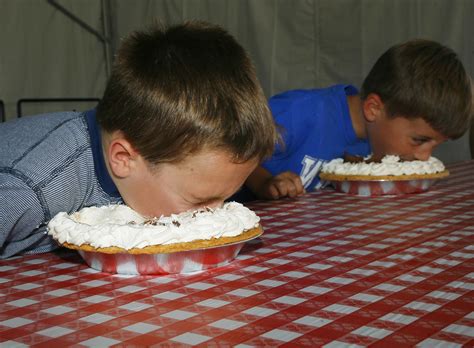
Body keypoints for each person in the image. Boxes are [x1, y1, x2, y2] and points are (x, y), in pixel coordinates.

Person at [0, 21, 278, 258]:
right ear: (123, 159)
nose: (215, 214)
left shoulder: (159, 173)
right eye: (198, 201)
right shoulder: (28, 188)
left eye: (225, 198)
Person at [234, 39, 473, 201]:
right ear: (373, 109)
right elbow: (230, 148)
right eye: (419, 140)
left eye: (435, 145)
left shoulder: (376, 141)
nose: (424, 156)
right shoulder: (300, 112)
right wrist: (264, 183)